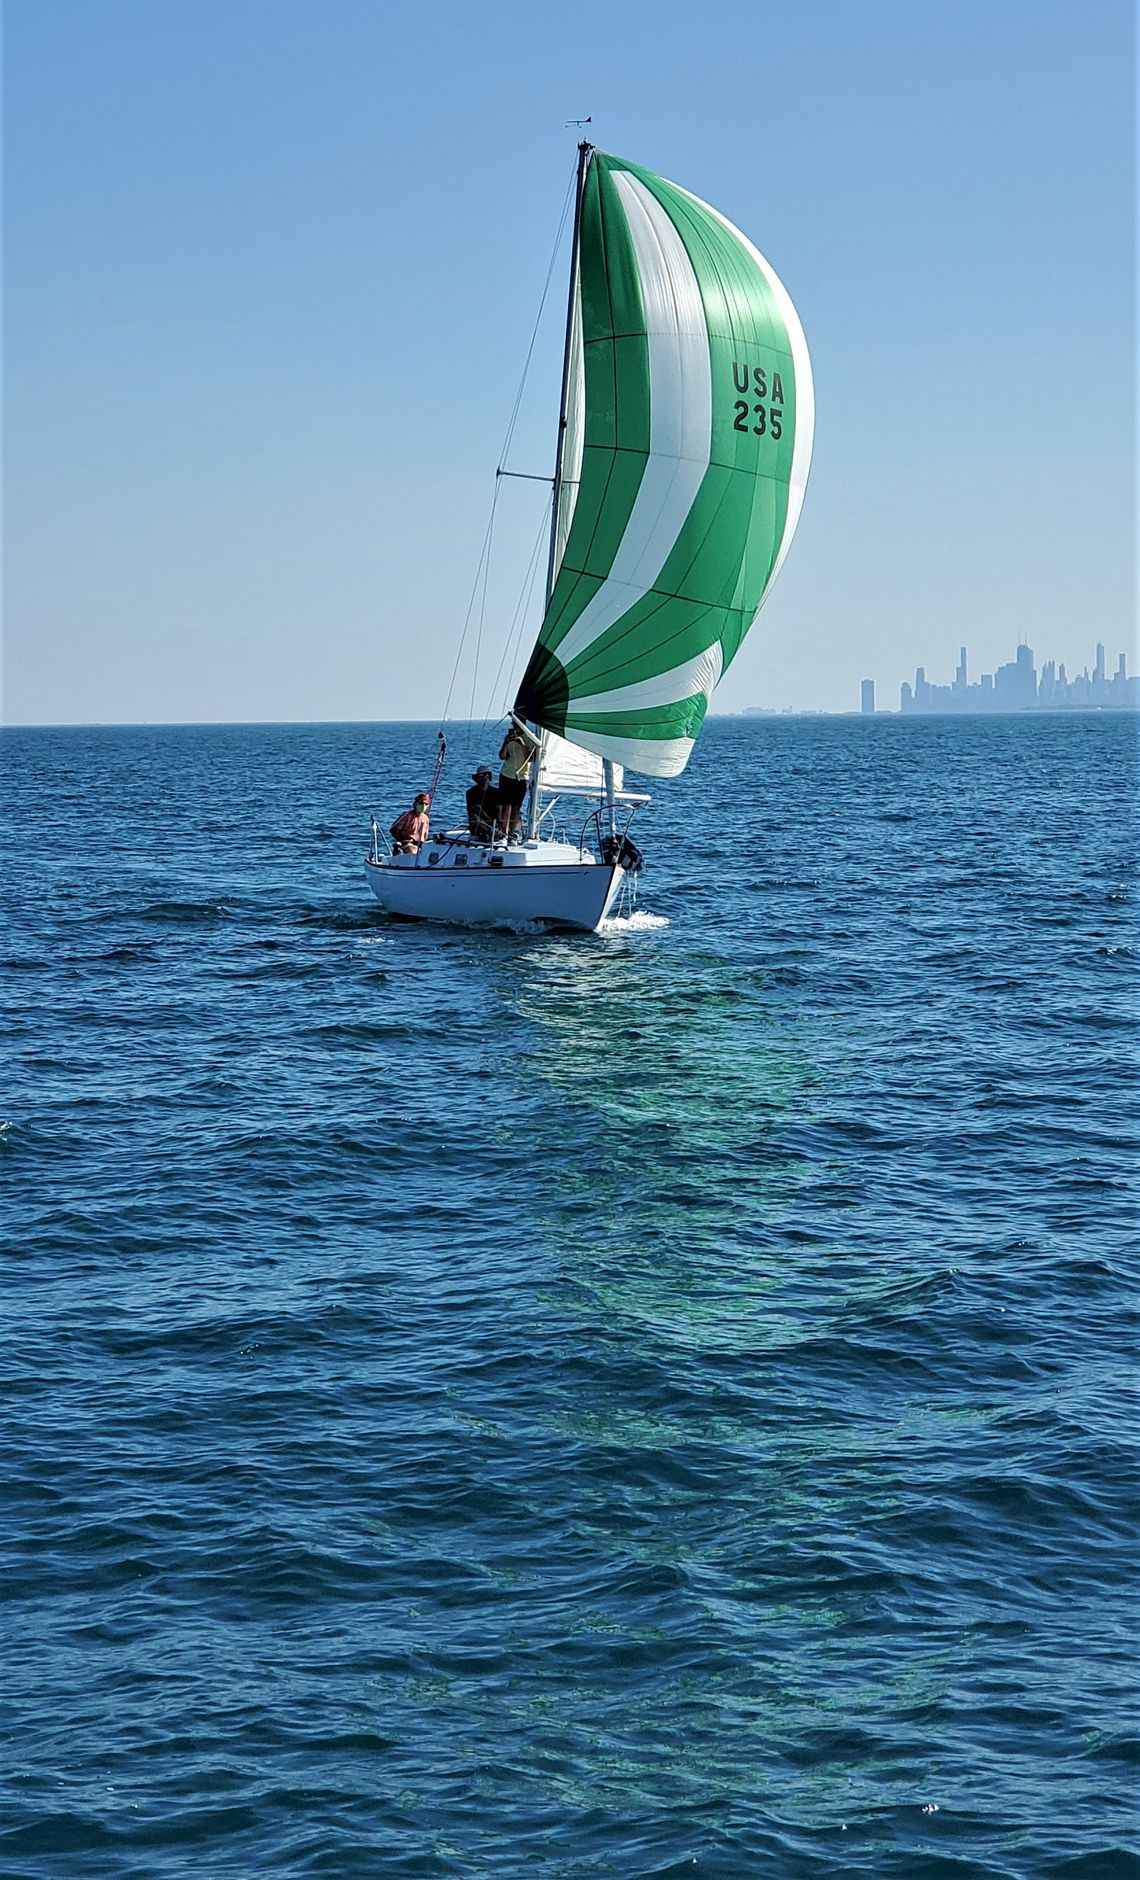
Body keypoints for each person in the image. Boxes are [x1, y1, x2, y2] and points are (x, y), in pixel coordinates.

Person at [497, 724, 537, 840]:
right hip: (507, 774)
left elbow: (530, 758)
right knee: (506, 804)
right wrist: (506, 743)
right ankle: (504, 832)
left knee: (516, 807)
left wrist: (522, 744)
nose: (514, 728)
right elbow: (502, 756)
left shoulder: (529, 738)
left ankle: (511, 832)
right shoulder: (508, 737)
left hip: (521, 776)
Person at [465, 767, 499, 843]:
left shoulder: (496, 792)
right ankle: (486, 832)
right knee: (474, 818)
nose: (484, 779)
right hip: (479, 822)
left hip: (495, 823)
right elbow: (472, 811)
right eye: (481, 776)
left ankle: (494, 831)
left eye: (486, 776)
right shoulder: (471, 792)